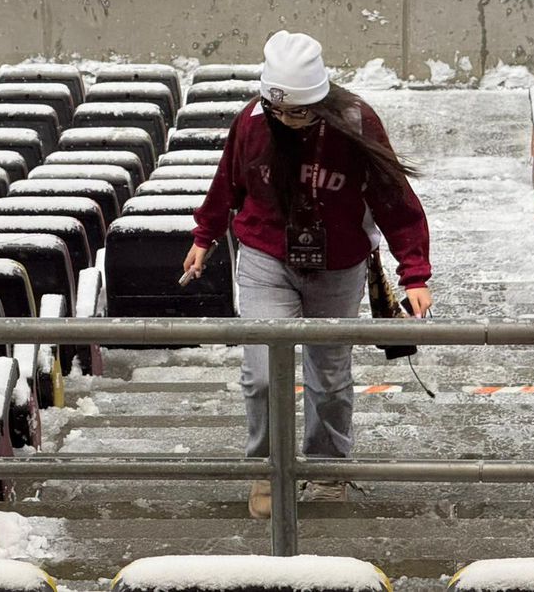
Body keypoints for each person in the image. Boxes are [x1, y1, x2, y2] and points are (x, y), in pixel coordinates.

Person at [183, 30, 433, 519]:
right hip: (265, 257)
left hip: (338, 265)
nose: (287, 120)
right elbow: (227, 182)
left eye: (299, 112)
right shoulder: (253, 122)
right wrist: (204, 235)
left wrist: (415, 273)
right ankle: (269, 467)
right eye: (279, 110)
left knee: (329, 376)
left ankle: (327, 467)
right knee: (260, 374)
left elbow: (394, 199)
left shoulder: (355, 122)